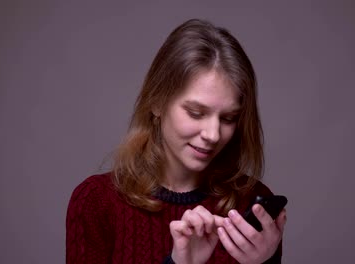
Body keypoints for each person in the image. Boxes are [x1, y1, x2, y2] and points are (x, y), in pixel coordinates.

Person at [66, 18, 287, 264]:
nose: (213, 134)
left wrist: (264, 263)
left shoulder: (251, 202)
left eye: (228, 118)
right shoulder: (96, 203)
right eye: (196, 113)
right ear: (157, 102)